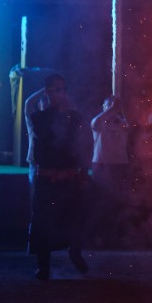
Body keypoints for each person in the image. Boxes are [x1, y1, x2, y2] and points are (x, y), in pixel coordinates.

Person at [28, 73, 93, 279]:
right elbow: (30, 106)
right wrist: (47, 94)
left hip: (70, 179)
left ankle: (75, 253)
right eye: (58, 90)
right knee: (44, 221)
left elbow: (83, 144)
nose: (63, 94)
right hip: (47, 179)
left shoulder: (75, 117)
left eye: (65, 89)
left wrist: (83, 171)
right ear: (48, 93)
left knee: (74, 218)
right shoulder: (39, 117)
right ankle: (43, 264)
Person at [90, 95, 131, 247]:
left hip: (119, 165)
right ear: (103, 107)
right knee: (101, 200)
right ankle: (98, 236)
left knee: (117, 201)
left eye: (114, 106)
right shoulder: (99, 123)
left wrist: (119, 110)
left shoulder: (122, 123)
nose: (112, 108)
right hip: (101, 164)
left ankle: (114, 236)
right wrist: (111, 109)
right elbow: (95, 122)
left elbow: (128, 125)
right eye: (108, 105)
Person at [24, 85, 50, 201]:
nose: (46, 104)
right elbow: (28, 103)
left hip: (52, 164)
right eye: (44, 102)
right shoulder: (33, 118)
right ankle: (34, 219)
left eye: (48, 102)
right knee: (35, 196)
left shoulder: (57, 119)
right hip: (36, 162)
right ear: (39, 105)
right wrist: (47, 88)